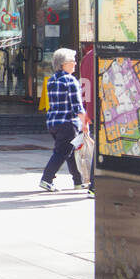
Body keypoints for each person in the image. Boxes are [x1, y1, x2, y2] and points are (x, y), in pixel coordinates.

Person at [39, 47, 89, 192]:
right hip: (68, 123)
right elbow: (77, 106)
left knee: (70, 151)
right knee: (61, 152)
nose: (75, 63)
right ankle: (47, 179)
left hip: (53, 123)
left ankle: (78, 181)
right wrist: (85, 123)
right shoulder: (71, 80)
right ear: (63, 64)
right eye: (72, 61)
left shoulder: (51, 80)